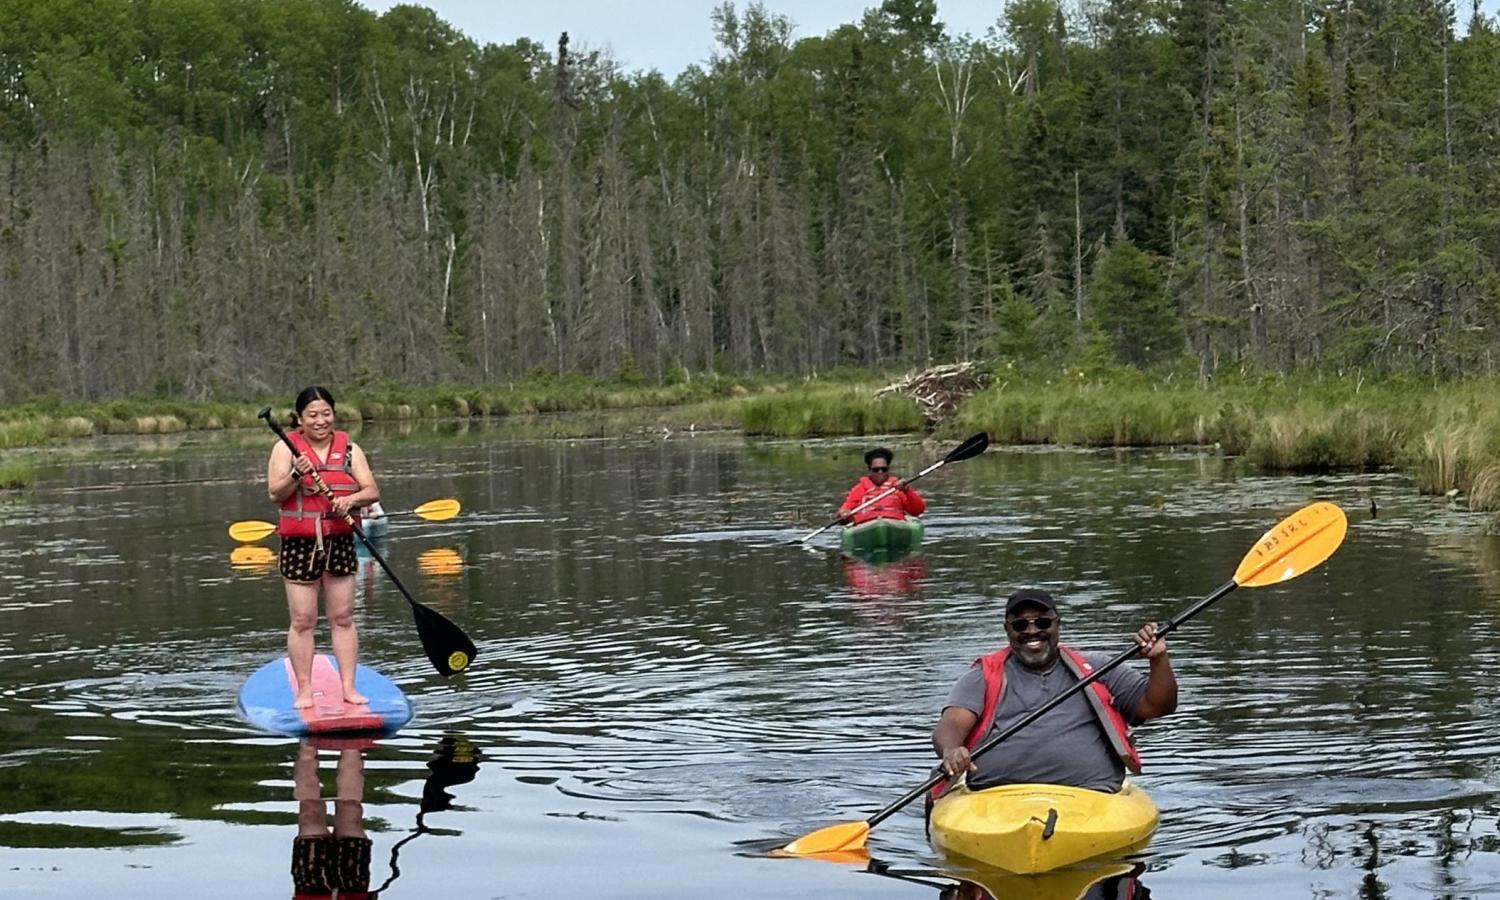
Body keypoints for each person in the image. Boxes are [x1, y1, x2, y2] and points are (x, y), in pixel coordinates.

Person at [932, 588, 1177, 794]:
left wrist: (1158, 660)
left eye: (1042, 622)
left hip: (1092, 798)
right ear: (1007, 629)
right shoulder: (983, 676)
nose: (1031, 631)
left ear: (1057, 624)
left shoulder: (1100, 668)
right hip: (997, 799)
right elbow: (952, 723)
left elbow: (1158, 706)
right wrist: (951, 749)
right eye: (1020, 624)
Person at [267, 386, 380, 708]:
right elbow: (276, 493)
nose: (320, 421)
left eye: (326, 413)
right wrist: (294, 474)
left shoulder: (350, 450)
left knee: (343, 616)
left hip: (339, 539)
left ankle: (348, 687)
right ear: (300, 418)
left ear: (334, 413)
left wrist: (351, 500)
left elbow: (371, 490)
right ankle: (304, 689)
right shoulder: (285, 448)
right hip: (300, 543)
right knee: (303, 619)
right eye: (312, 415)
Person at [291, 742, 373, 900]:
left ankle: (308, 744)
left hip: (311, 892)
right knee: (350, 813)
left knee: (310, 813)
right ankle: (352, 745)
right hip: (353, 891)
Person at [836, 447, 926, 525]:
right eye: (876, 469)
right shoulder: (859, 489)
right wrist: (844, 513)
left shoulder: (899, 488)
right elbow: (846, 509)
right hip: (866, 524)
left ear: (888, 469)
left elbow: (917, 510)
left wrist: (907, 491)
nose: (880, 472)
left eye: (884, 469)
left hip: (894, 523)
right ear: (869, 470)